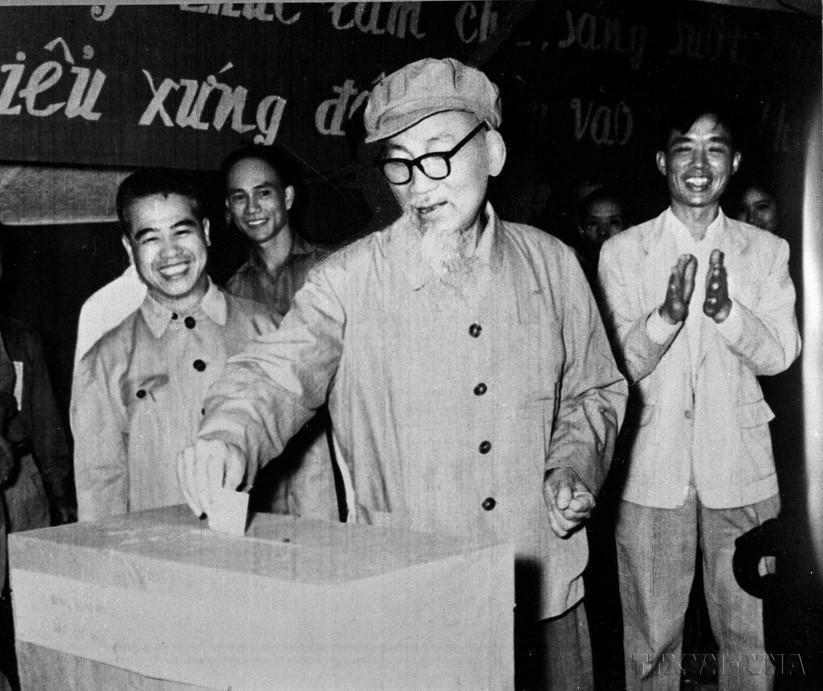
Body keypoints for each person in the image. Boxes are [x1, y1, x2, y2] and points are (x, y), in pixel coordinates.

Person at [177, 57, 627, 689]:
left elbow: (594, 390)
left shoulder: (554, 265)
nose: (419, 185)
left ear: (492, 151)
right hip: (415, 592)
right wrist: (227, 434)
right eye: (399, 162)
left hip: (545, 593)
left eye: (439, 153)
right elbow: (274, 375)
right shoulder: (346, 280)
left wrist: (574, 463)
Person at [598, 101, 801, 690]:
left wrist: (727, 314)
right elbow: (617, 367)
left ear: (733, 163)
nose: (698, 162)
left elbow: (781, 355)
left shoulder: (766, 252)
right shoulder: (623, 252)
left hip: (742, 473)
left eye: (715, 147)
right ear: (663, 161)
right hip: (650, 475)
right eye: (685, 146)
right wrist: (665, 316)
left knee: (748, 641)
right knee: (652, 641)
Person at [71, 169, 277, 521]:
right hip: (158, 564)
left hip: (264, 557)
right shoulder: (105, 362)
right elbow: (99, 492)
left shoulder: (271, 331)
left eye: (182, 231)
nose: (170, 252)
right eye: (150, 238)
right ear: (129, 248)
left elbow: (309, 472)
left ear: (207, 232)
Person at [222, 145, 338, 519]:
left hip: (332, 453)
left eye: (263, 192)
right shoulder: (230, 294)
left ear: (287, 197)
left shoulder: (333, 270)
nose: (252, 208)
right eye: (239, 197)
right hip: (267, 463)